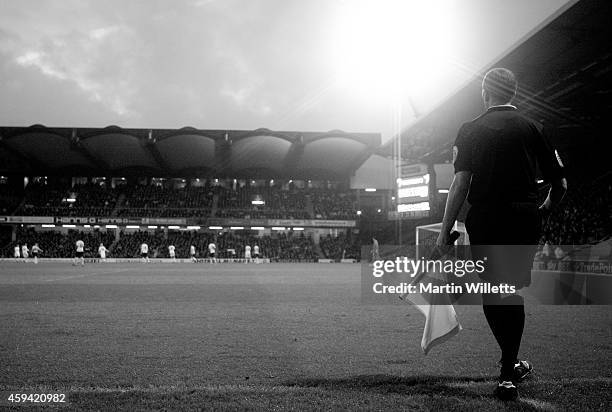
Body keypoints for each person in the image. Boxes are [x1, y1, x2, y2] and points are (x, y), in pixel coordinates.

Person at [435, 68, 566, 401]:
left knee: (495, 293)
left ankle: (509, 369)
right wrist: (544, 209)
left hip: (487, 218)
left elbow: (460, 184)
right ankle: (510, 368)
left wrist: (445, 230)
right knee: (510, 291)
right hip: (524, 217)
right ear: (515, 93)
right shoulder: (534, 128)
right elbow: (560, 183)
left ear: (484, 93)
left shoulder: (470, 130)